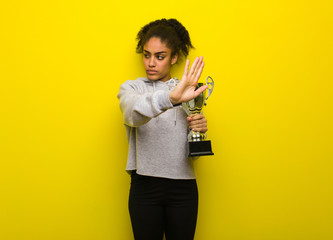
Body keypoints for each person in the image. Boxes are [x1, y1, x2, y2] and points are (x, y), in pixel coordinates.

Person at [117, 18, 209, 240]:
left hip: (183, 188)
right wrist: (170, 98)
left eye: (160, 57)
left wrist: (198, 131)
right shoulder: (132, 88)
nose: (151, 62)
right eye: (147, 55)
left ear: (174, 57)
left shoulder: (188, 92)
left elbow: (192, 156)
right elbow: (132, 113)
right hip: (145, 186)